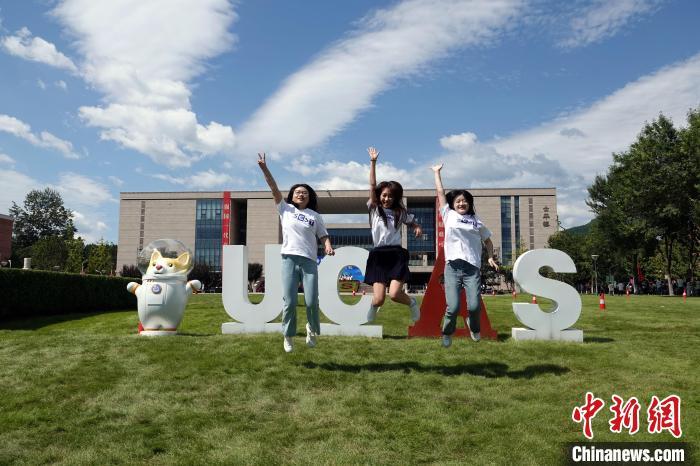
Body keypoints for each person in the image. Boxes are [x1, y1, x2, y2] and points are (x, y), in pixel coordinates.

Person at [257, 153, 334, 353]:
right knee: (290, 301)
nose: (301, 194)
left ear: (309, 197)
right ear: (292, 195)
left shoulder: (315, 216)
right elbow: (273, 188)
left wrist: (327, 245)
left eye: (305, 193)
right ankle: (288, 334)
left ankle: (312, 328)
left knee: (311, 301)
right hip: (289, 259)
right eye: (298, 192)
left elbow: (323, 235)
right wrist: (265, 168)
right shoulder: (285, 209)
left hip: (309, 261)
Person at [432, 163, 499, 348]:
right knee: (453, 307)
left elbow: (488, 241)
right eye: (458, 201)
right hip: (452, 267)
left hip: (472, 268)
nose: (461, 203)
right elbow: (440, 193)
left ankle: (474, 327)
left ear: (469, 203)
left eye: (464, 201)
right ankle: (447, 332)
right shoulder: (449, 215)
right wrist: (437, 173)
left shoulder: (476, 221)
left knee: (474, 307)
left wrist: (490, 257)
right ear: (453, 204)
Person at [364, 147, 422, 323]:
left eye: (390, 196)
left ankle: (412, 303)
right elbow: (372, 185)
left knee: (395, 294)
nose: (387, 199)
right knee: (379, 299)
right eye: (384, 195)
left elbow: (412, 222)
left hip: (396, 254)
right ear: (379, 196)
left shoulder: (400, 212)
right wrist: (373, 162)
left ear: (395, 198)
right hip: (378, 255)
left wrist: (416, 227)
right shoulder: (374, 208)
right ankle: (374, 306)